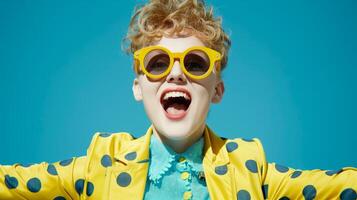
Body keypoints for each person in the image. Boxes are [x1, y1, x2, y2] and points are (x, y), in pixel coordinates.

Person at [1, 0, 356, 199]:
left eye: (195, 63)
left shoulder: (250, 169)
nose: (175, 74)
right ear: (138, 86)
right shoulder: (101, 164)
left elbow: (338, 188)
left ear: (217, 90)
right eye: (157, 63)